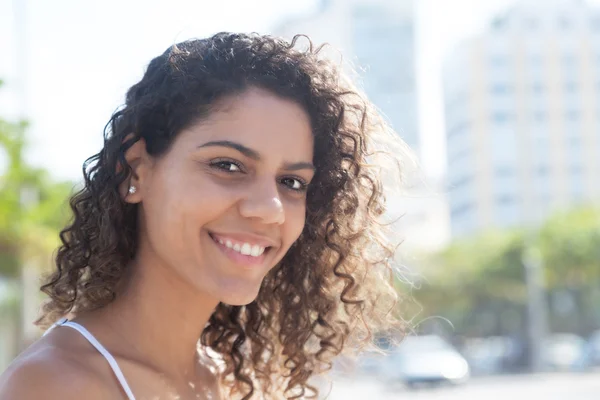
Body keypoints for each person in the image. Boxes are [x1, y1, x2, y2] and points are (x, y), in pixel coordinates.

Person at [0, 32, 409, 399]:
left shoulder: (227, 380)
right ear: (136, 170)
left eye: (292, 183)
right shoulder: (55, 385)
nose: (269, 209)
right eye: (228, 166)